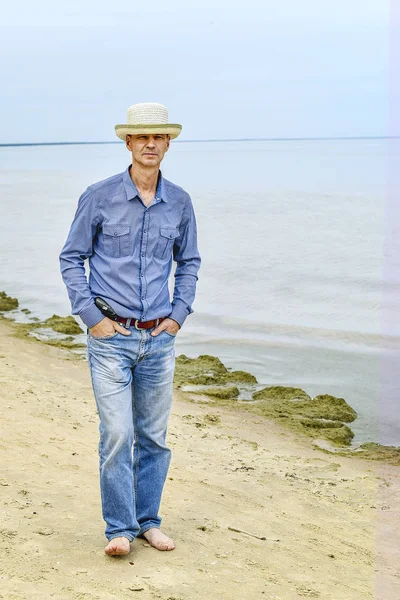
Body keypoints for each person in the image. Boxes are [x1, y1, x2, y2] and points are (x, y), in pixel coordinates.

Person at [59, 102, 201, 556]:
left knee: (154, 437)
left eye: (158, 138)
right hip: (110, 339)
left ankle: (148, 522)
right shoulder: (98, 196)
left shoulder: (179, 201)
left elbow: (190, 261)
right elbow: (70, 258)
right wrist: (92, 318)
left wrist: (178, 315)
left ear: (168, 143)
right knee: (117, 433)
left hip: (159, 339)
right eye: (142, 137)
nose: (150, 145)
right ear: (128, 142)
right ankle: (119, 528)